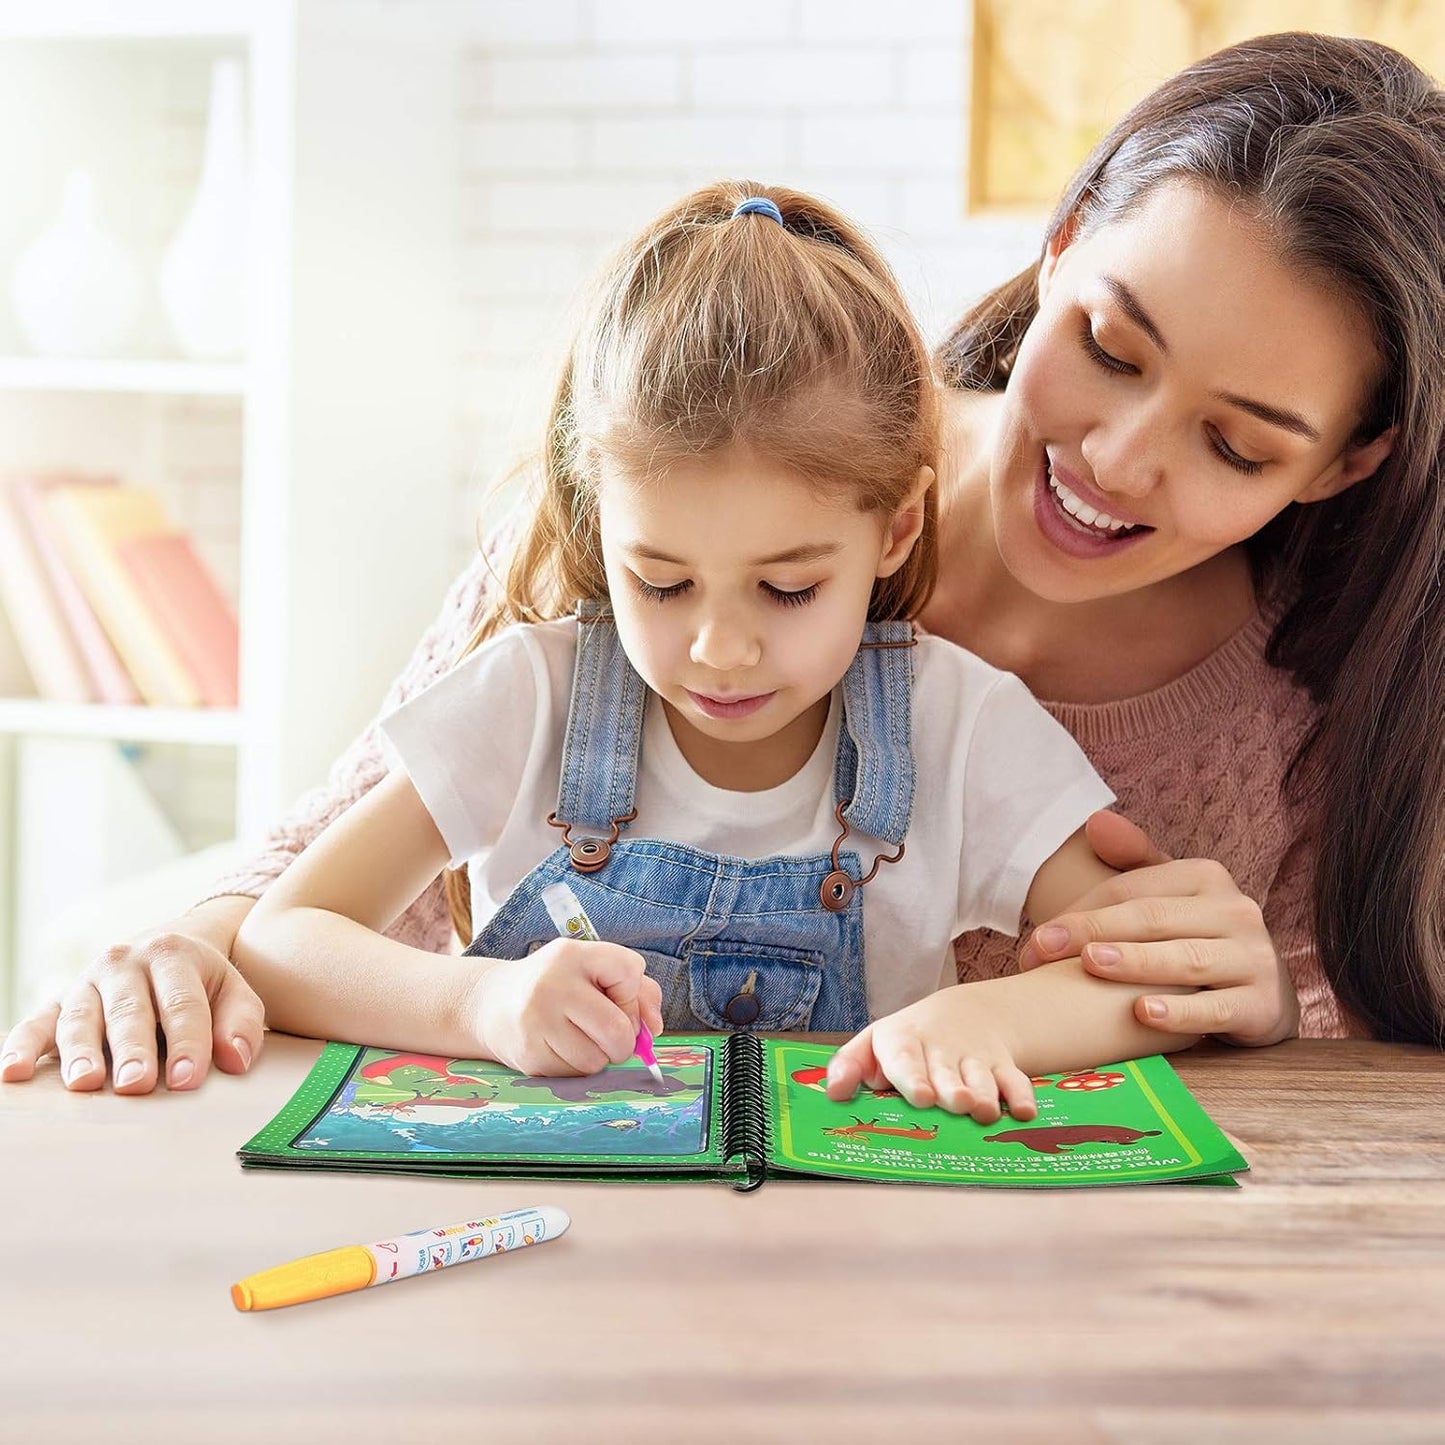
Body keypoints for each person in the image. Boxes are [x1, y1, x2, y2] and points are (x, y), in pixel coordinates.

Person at [4, 31, 1441, 1097]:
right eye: (1111, 347)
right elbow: (311, 880)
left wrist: (1249, 1008)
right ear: (1060, 248)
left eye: (1236, 448)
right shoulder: (709, 453)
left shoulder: (1306, 707)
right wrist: (195, 940)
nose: (1122, 458)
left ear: (1343, 462)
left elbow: (1307, 1059)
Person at [240, 180, 1222, 1123]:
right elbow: (282, 940)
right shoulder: (529, 699)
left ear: (893, 530)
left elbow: (1139, 975)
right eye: (659, 582)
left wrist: (984, 1015)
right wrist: (480, 1006)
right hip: (552, 1233)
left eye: (787, 587)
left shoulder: (956, 727)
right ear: (599, 519)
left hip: (839, 1252)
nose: (717, 649)